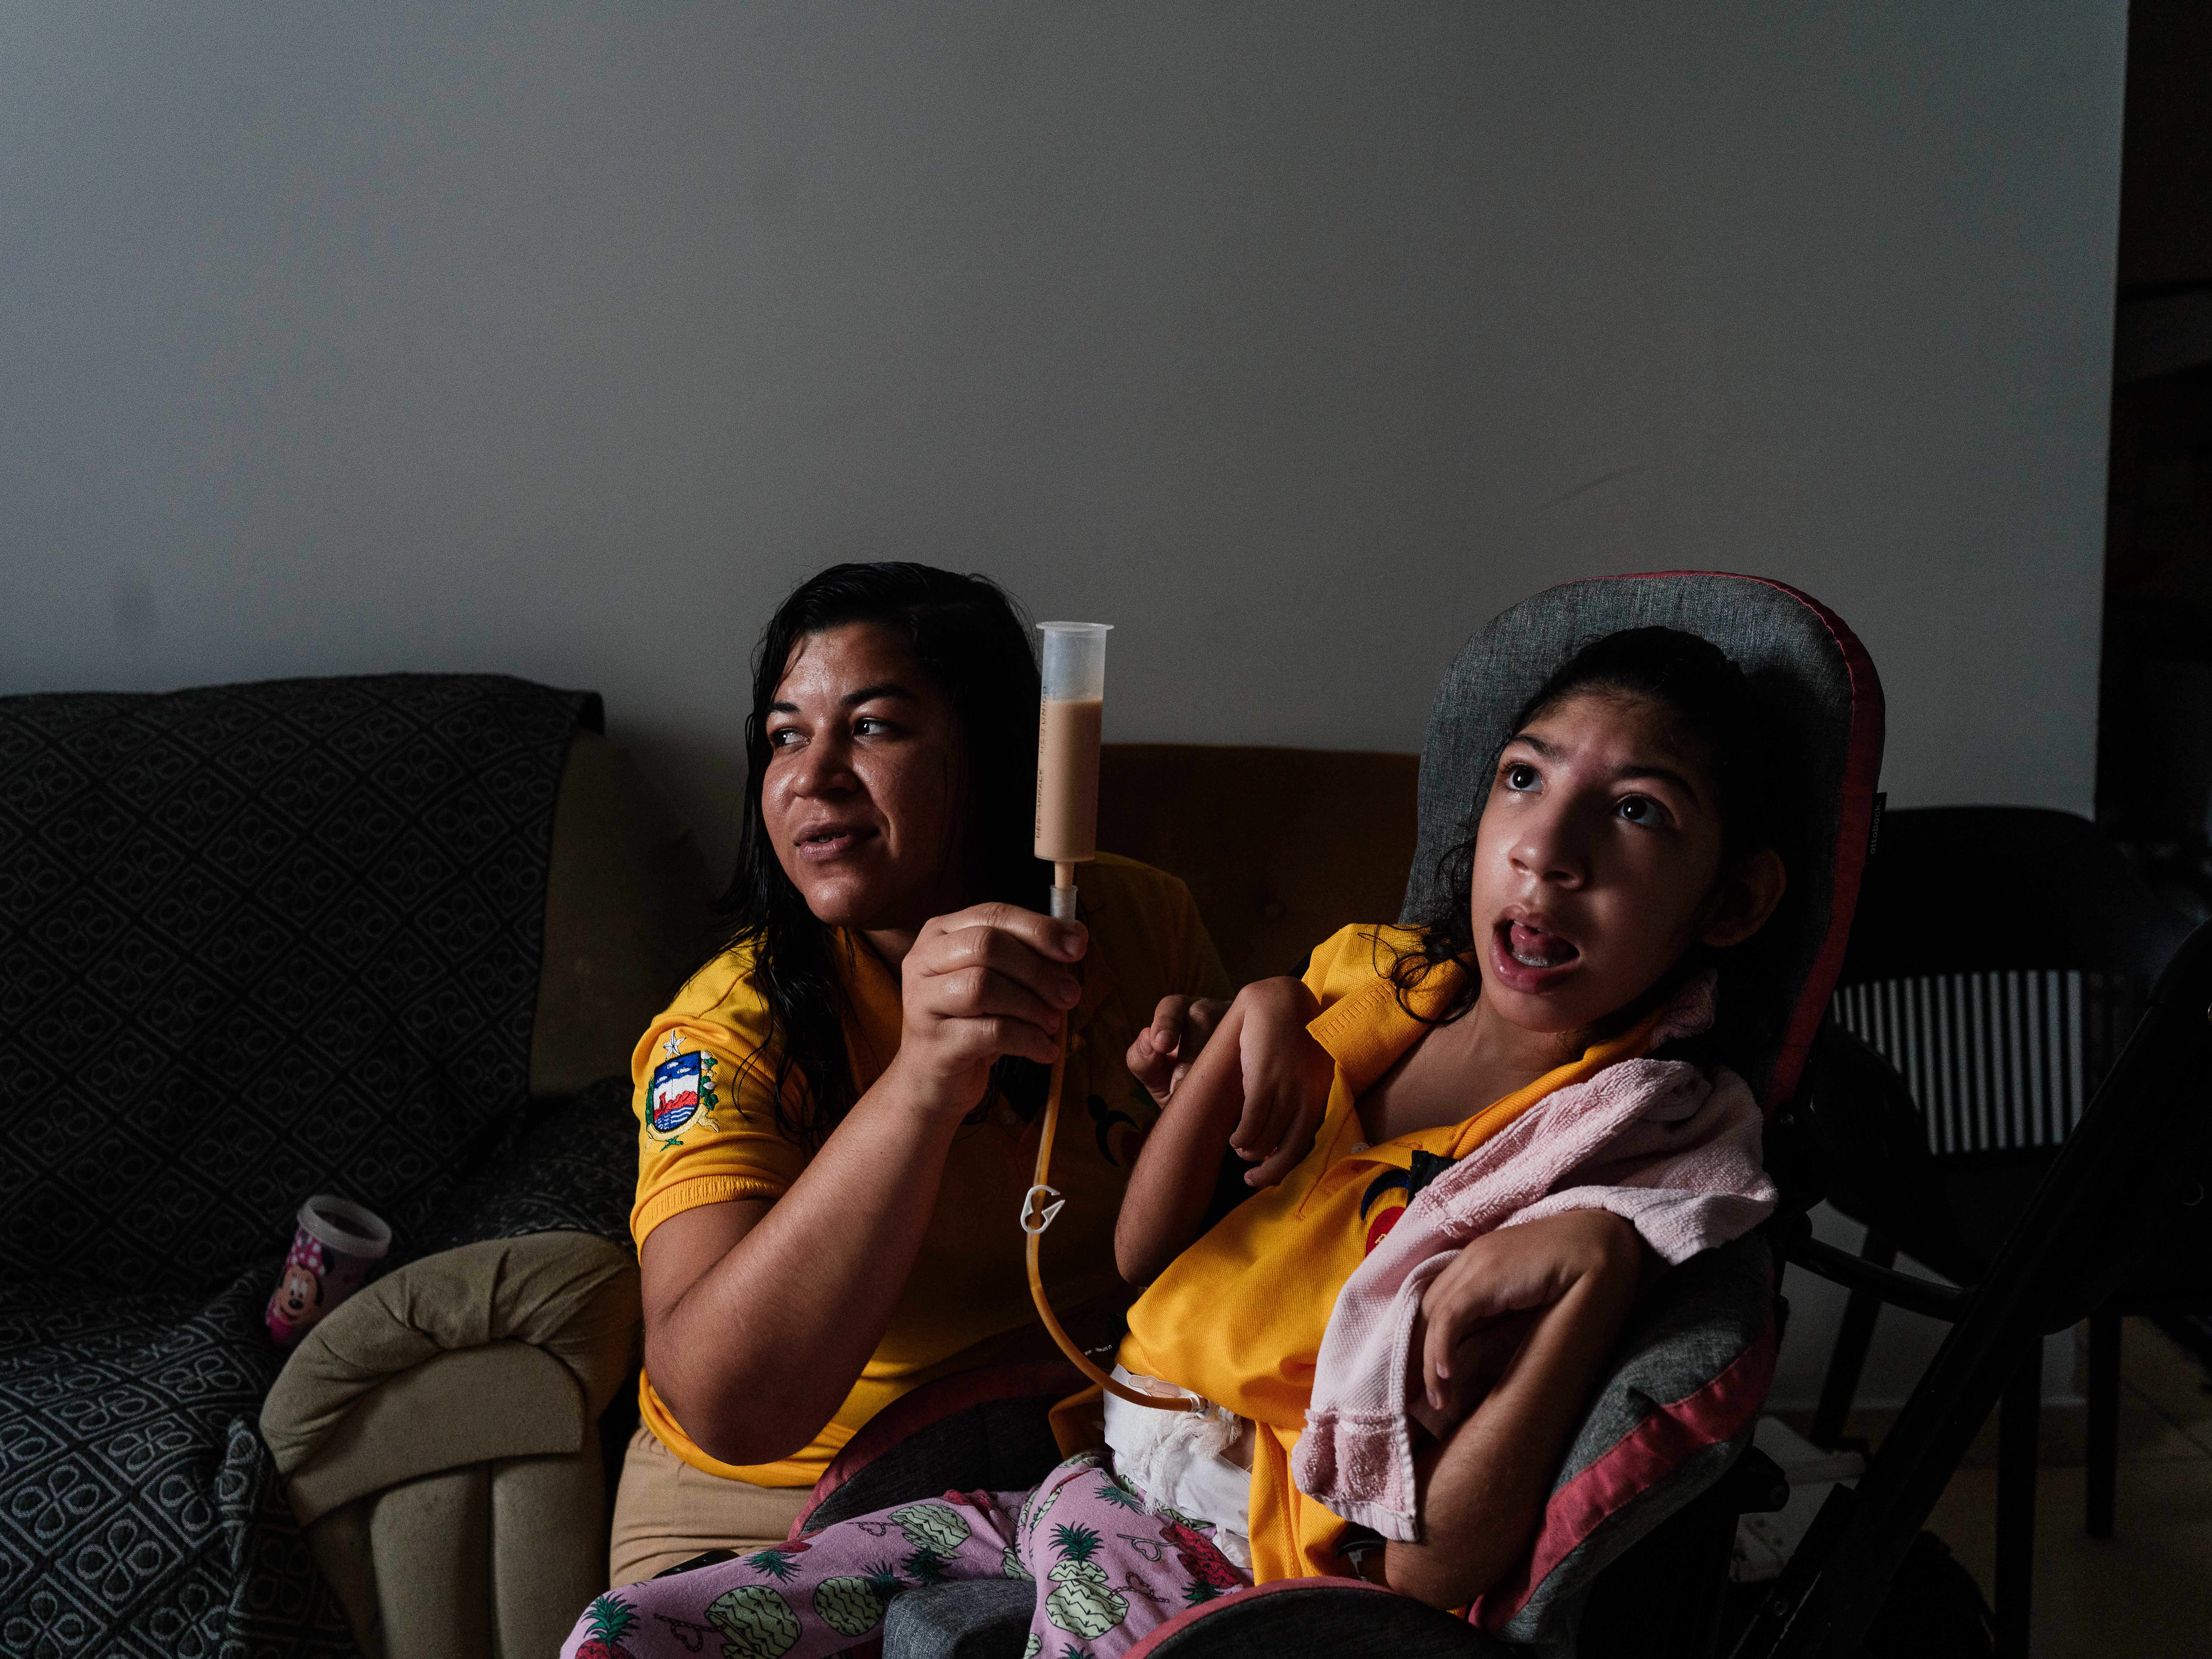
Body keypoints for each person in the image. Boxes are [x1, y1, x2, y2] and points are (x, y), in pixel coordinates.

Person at [569, 624, 1791, 1659]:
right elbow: (1158, 1267)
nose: (1545, 847)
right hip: (1065, 1472)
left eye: (1634, 811)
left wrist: (1594, 1272)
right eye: (1522, 780)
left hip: (1227, 1553)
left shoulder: (1607, 1150)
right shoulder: (1379, 989)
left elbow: (1431, 1579)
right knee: (635, 1633)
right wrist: (1258, 1014)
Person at [608, 562, 1231, 1587]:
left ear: (988, 751)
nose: (813, 777)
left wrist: (1220, 1106)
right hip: (774, 1499)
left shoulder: (1138, 922)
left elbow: (1236, 1248)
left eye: (873, 727)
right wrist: (922, 1083)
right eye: (784, 737)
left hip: (1091, 1450)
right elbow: (730, 1406)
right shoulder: (727, 1030)